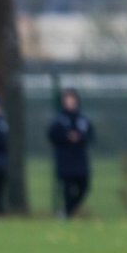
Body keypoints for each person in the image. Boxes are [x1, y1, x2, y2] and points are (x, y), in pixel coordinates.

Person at [46, 88, 93, 218]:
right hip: (65, 159)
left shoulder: (82, 119)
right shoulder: (58, 120)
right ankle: (67, 214)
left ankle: (68, 211)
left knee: (84, 187)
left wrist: (80, 137)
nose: (70, 103)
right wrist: (67, 137)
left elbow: (90, 135)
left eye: (72, 100)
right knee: (67, 188)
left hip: (80, 160)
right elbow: (52, 136)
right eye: (67, 100)